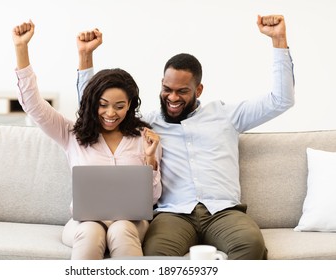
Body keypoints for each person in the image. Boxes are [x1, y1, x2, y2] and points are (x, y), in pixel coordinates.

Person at [76, 14, 295, 259]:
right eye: (167, 89)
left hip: (223, 211)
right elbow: (95, 110)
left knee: (250, 246)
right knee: (154, 253)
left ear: (198, 90)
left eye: (182, 91)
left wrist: (278, 40)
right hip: (173, 214)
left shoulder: (227, 115)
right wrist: (86, 57)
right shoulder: (148, 124)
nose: (172, 98)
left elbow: (280, 100)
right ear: (161, 84)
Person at [12, 20, 162, 259]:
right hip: (83, 223)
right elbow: (33, 105)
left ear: (131, 106)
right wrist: (21, 48)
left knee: (122, 229)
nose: (110, 113)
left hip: (131, 223)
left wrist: (150, 159)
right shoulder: (71, 134)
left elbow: (153, 199)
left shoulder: (145, 138)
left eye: (119, 106)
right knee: (91, 231)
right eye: (103, 105)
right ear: (92, 104)